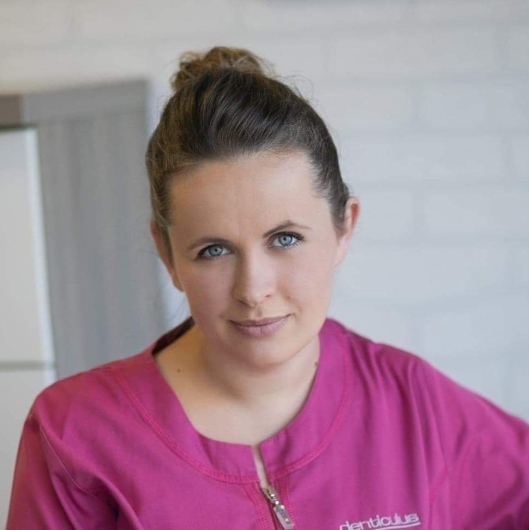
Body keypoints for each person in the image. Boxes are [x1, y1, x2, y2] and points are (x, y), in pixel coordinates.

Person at [6, 46, 529, 530]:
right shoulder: (74, 434)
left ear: (344, 227)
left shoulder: (415, 402)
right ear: (167, 253)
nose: (253, 290)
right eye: (214, 250)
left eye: (285, 239)